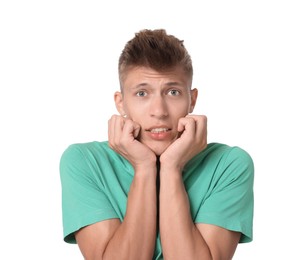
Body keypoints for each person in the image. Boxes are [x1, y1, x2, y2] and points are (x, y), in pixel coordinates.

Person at [60, 29, 254, 260]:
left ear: (192, 100)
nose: (159, 112)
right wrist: (144, 168)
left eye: (173, 92)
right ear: (120, 104)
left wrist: (171, 167)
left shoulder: (229, 164)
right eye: (142, 93)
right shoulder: (85, 161)